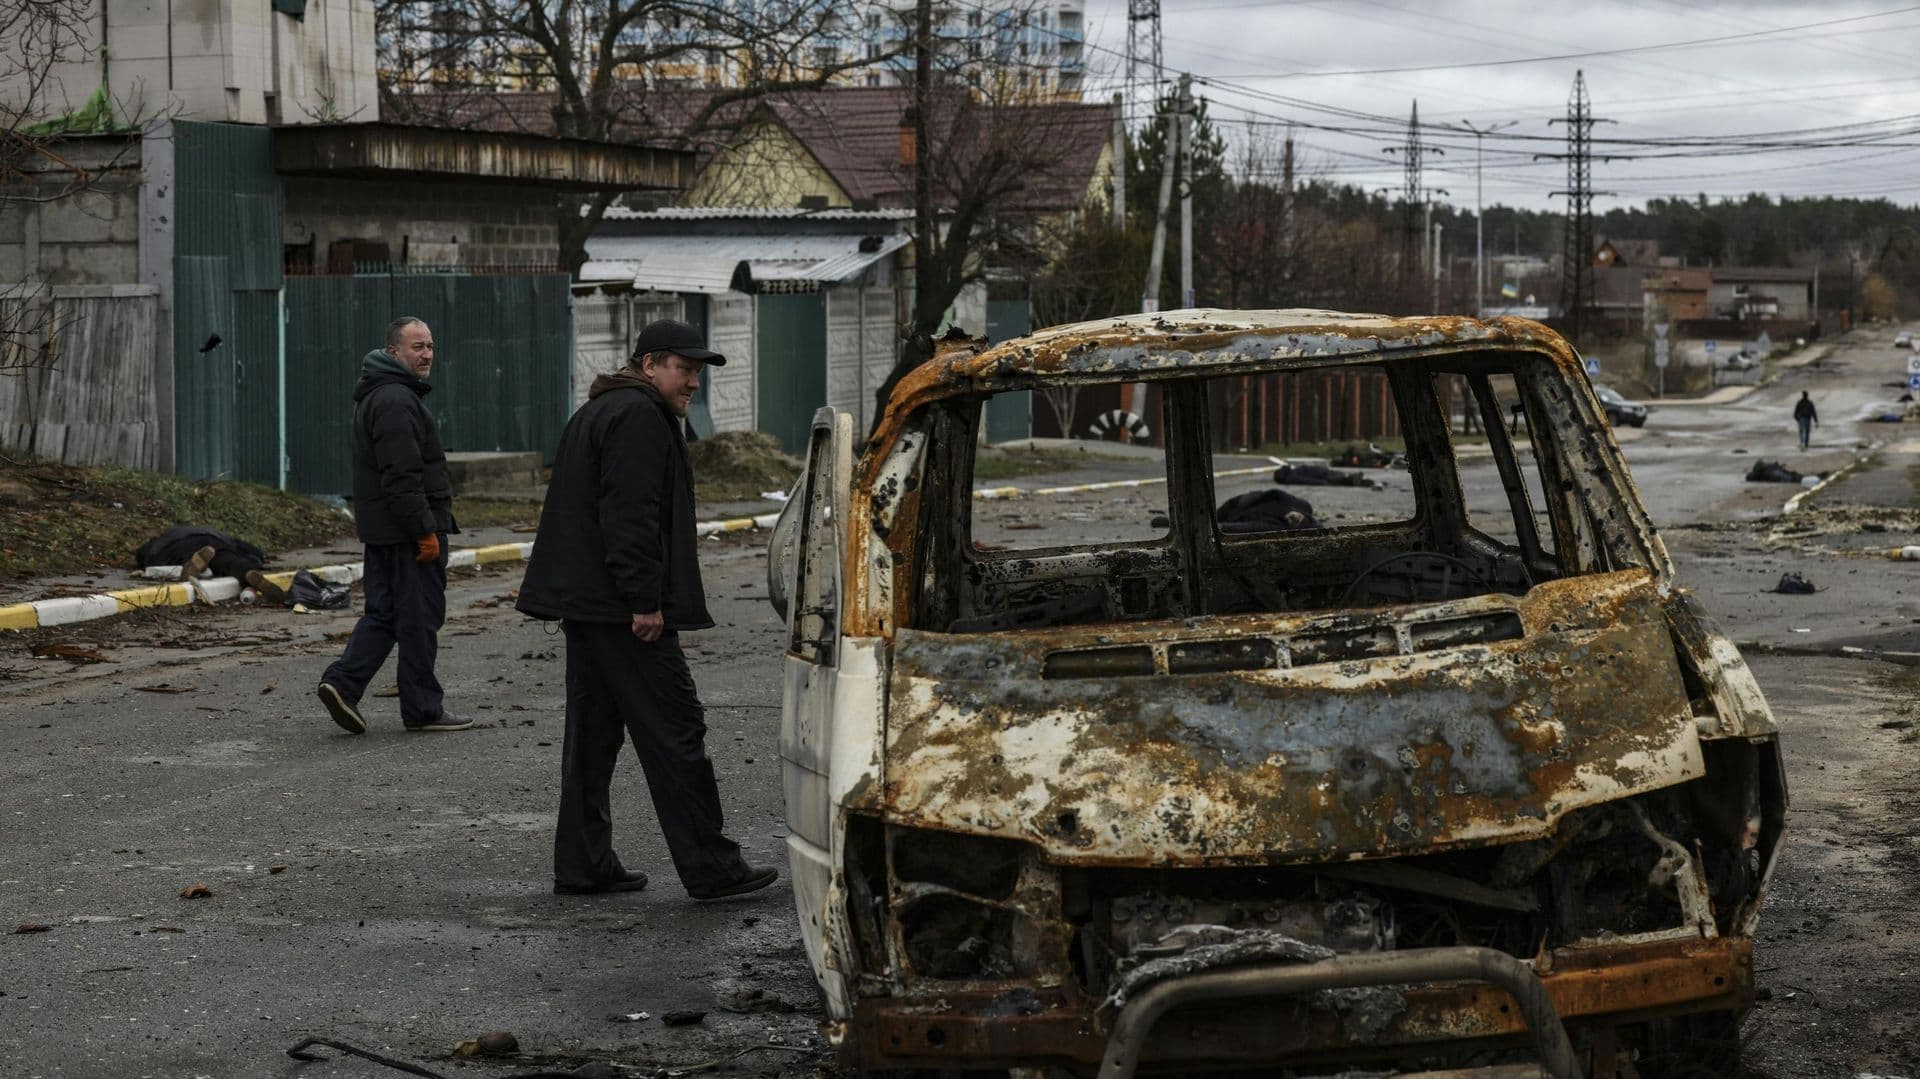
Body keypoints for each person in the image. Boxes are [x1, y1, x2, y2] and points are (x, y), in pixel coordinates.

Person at [517, 319, 776, 900]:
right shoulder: (636, 415)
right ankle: (712, 867)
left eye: (697, 373)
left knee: (593, 738)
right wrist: (644, 601)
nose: (693, 384)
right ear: (651, 363)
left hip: (589, 608)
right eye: (684, 370)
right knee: (676, 729)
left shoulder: (604, 409)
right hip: (620, 612)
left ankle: (584, 864)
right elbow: (629, 515)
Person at [316, 317, 471, 735]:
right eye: (417, 347)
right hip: (408, 533)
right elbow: (402, 475)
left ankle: (342, 684)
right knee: (419, 619)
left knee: (384, 614)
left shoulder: (384, 396)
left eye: (430, 346)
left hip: (385, 530)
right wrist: (424, 529)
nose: (427, 355)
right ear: (393, 353)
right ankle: (423, 708)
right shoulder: (396, 401)